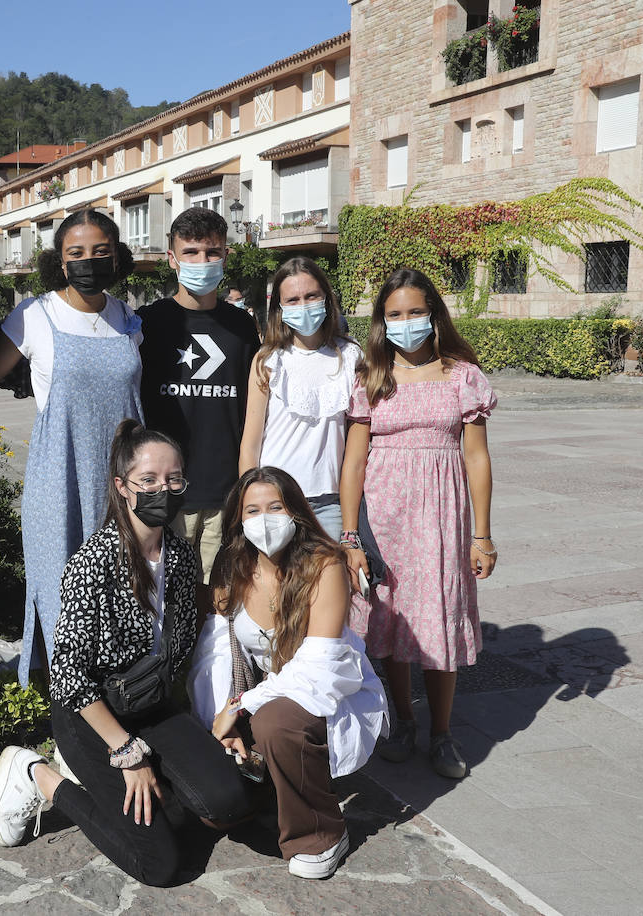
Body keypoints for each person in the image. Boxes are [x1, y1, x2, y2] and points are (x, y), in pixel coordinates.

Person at [0, 420, 252, 886]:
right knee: (161, 865)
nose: (162, 490)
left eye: (173, 480)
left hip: (153, 705)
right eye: (148, 480)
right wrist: (129, 755)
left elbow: (189, 640)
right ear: (122, 487)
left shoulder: (182, 558)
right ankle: (41, 776)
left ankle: (152, 790)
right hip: (94, 713)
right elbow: (68, 674)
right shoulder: (94, 563)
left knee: (229, 804)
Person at [192, 466, 388, 879]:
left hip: (324, 688)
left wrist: (243, 706)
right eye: (252, 510)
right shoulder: (234, 567)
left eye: (275, 507)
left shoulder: (325, 565)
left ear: (295, 511)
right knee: (217, 807)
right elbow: (216, 653)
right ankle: (274, 785)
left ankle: (323, 835)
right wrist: (220, 717)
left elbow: (318, 665)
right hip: (259, 693)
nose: (264, 520)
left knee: (276, 723)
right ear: (238, 520)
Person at [340, 268, 498, 780]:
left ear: (433, 315)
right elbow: (354, 463)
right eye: (394, 315)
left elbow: (476, 458)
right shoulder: (372, 377)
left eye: (414, 312)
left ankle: (443, 733)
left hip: (442, 516)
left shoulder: (462, 376)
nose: (405, 323)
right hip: (385, 515)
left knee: (438, 615)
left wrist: (483, 535)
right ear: (381, 322)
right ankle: (403, 719)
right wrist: (349, 533)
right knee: (390, 618)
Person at [0, 209, 143, 686]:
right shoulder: (34, 315)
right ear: (60, 261)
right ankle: (68, 703)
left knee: (120, 586)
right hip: (60, 477)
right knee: (61, 586)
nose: (89, 261)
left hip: (125, 480)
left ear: (117, 255)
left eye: (100, 252)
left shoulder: (130, 320)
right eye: (76, 253)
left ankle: (120, 689)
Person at [137, 207, 260, 608]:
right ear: (171, 259)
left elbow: (254, 409)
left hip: (224, 492)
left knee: (217, 604)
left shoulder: (242, 327)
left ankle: (209, 674)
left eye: (212, 253)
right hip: (164, 491)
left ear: (226, 256)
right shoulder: (147, 324)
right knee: (159, 601)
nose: (201, 262)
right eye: (190, 252)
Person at [238, 257, 360, 540]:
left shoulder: (352, 356)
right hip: (275, 500)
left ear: (326, 299)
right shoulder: (268, 360)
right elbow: (251, 443)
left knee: (332, 582)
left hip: (331, 504)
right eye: (292, 300)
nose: (303, 305)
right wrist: (249, 504)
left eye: (311, 296)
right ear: (279, 308)